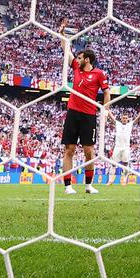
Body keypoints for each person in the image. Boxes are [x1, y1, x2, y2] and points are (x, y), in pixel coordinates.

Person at [58, 20, 110, 195]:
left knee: (89, 151)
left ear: (87, 60)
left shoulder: (99, 74)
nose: (76, 60)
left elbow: (106, 92)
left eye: (79, 58)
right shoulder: (76, 69)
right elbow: (67, 51)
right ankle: (67, 186)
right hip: (73, 113)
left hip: (89, 115)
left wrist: (106, 108)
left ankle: (88, 185)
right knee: (69, 149)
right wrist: (62, 34)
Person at [110, 104, 140, 185]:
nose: (124, 119)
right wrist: (106, 108)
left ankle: (124, 180)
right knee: (113, 163)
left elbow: (137, 118)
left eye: (126, 118)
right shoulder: (118, 124)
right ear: (121, 118)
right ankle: (110, 180)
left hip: (126, 147)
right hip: (117, 146)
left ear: (128, 119)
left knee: (125, 164)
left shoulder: (129, 125)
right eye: (123, 118)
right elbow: (111, 117)